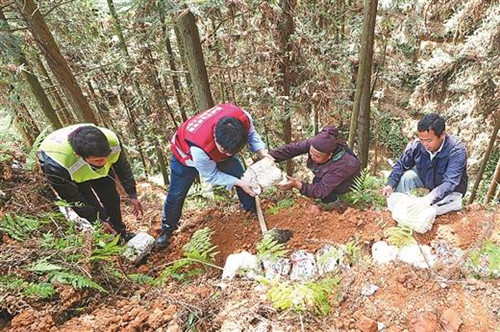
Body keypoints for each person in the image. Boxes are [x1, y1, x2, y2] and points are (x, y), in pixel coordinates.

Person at [155, 103, 272, 248]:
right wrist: (238, 183)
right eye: (224, 149)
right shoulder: (200, 149)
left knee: (240, 175)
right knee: (176, 194)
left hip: (211, 154)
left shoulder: (243, 118)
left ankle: (250, 209)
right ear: (216, 137)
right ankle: (167, 230)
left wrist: (262, 152)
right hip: (185, 157)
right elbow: (211, 176)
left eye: (232, 151)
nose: (228, 154)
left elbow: (251, 134)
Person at [38, 124, 143, 240]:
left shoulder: (112, 141)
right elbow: (74, 198)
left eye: (106, 156)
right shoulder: (57, 165)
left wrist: (132, 194)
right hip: (69, 172)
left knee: (111, 198)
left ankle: (121, 233)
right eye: (98, 160)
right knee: (94, 207)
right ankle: (111, 239)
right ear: (78, 155)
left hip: (91, 166)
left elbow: (122, 167)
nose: (104, 161)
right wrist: (96, 220)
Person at [381, 113, 468, 213]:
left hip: (450, 191)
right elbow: (401, 165)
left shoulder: (456, 151)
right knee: (407, 177)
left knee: (435, 212)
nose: (425, 144)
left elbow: (450, 183)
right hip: (427, 179)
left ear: (443, 135)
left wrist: (428, 199)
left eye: (429, 140)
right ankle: (399, 211)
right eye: (422, 139)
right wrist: (390, 184)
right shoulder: (418, 145)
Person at [271, 126, 361, 208]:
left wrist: (297, 184)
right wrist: (269, 157)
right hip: (331, 171)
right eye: (311, 153)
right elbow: (292, 149)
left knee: (323, 190)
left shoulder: (344, 165)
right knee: (317, 180)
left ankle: (333, 204)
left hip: (347, 181)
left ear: (329, 155)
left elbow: (321, 190)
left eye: (317, 156)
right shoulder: (316, 144)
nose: (312, 157)